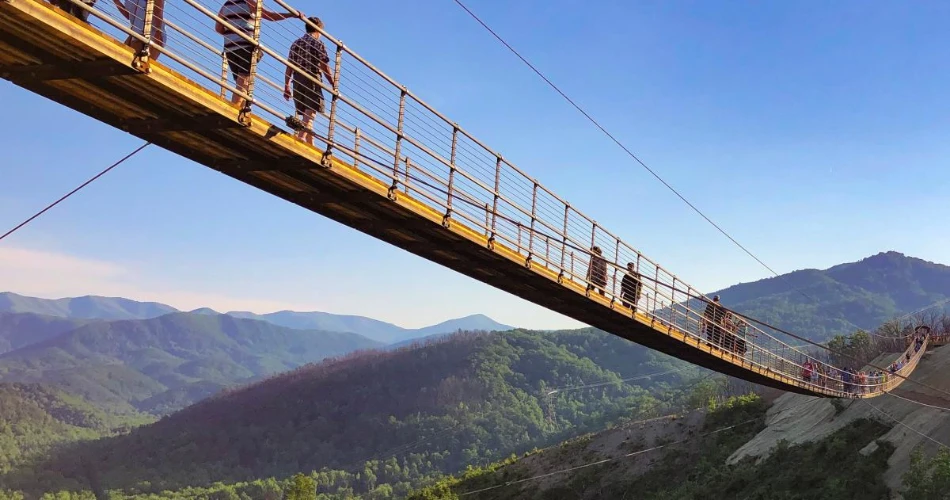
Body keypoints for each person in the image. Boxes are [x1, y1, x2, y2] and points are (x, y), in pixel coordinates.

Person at [216, 0, 304, 107]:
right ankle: (232, 110)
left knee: (242, 83)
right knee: (243, 82)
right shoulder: (248, 1)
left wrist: (233, 34)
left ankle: (242, 109)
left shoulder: (227, 4)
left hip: (230, 48)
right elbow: (269, 15)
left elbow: (218, 28)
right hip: (245, 45)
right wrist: (290, 14)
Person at [284, 17, 334, 145]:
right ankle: (301, 136)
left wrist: (287, 86)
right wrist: (333, 83)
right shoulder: (318, 43)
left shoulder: (296, 43)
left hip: (297, 79)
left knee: (306, 113)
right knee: (311, 110)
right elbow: (324, 65)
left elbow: (289, 66)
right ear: (318, 29)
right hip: (312, 77)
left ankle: (310, 143)